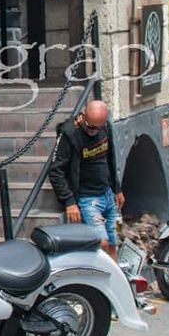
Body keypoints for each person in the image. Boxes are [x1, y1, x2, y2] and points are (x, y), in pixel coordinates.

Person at [48, 98, 125, 260]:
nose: (94, 132)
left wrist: (117, 189)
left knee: (112, 243)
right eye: (90, 127)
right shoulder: (70, 134)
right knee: (101, 243)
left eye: (98, 128)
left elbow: (110, 159)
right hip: (87, 197)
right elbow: (56, 171)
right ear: (82, 116)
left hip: (107, 193)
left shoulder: (105, 127)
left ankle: (117, 280)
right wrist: (69, 202)